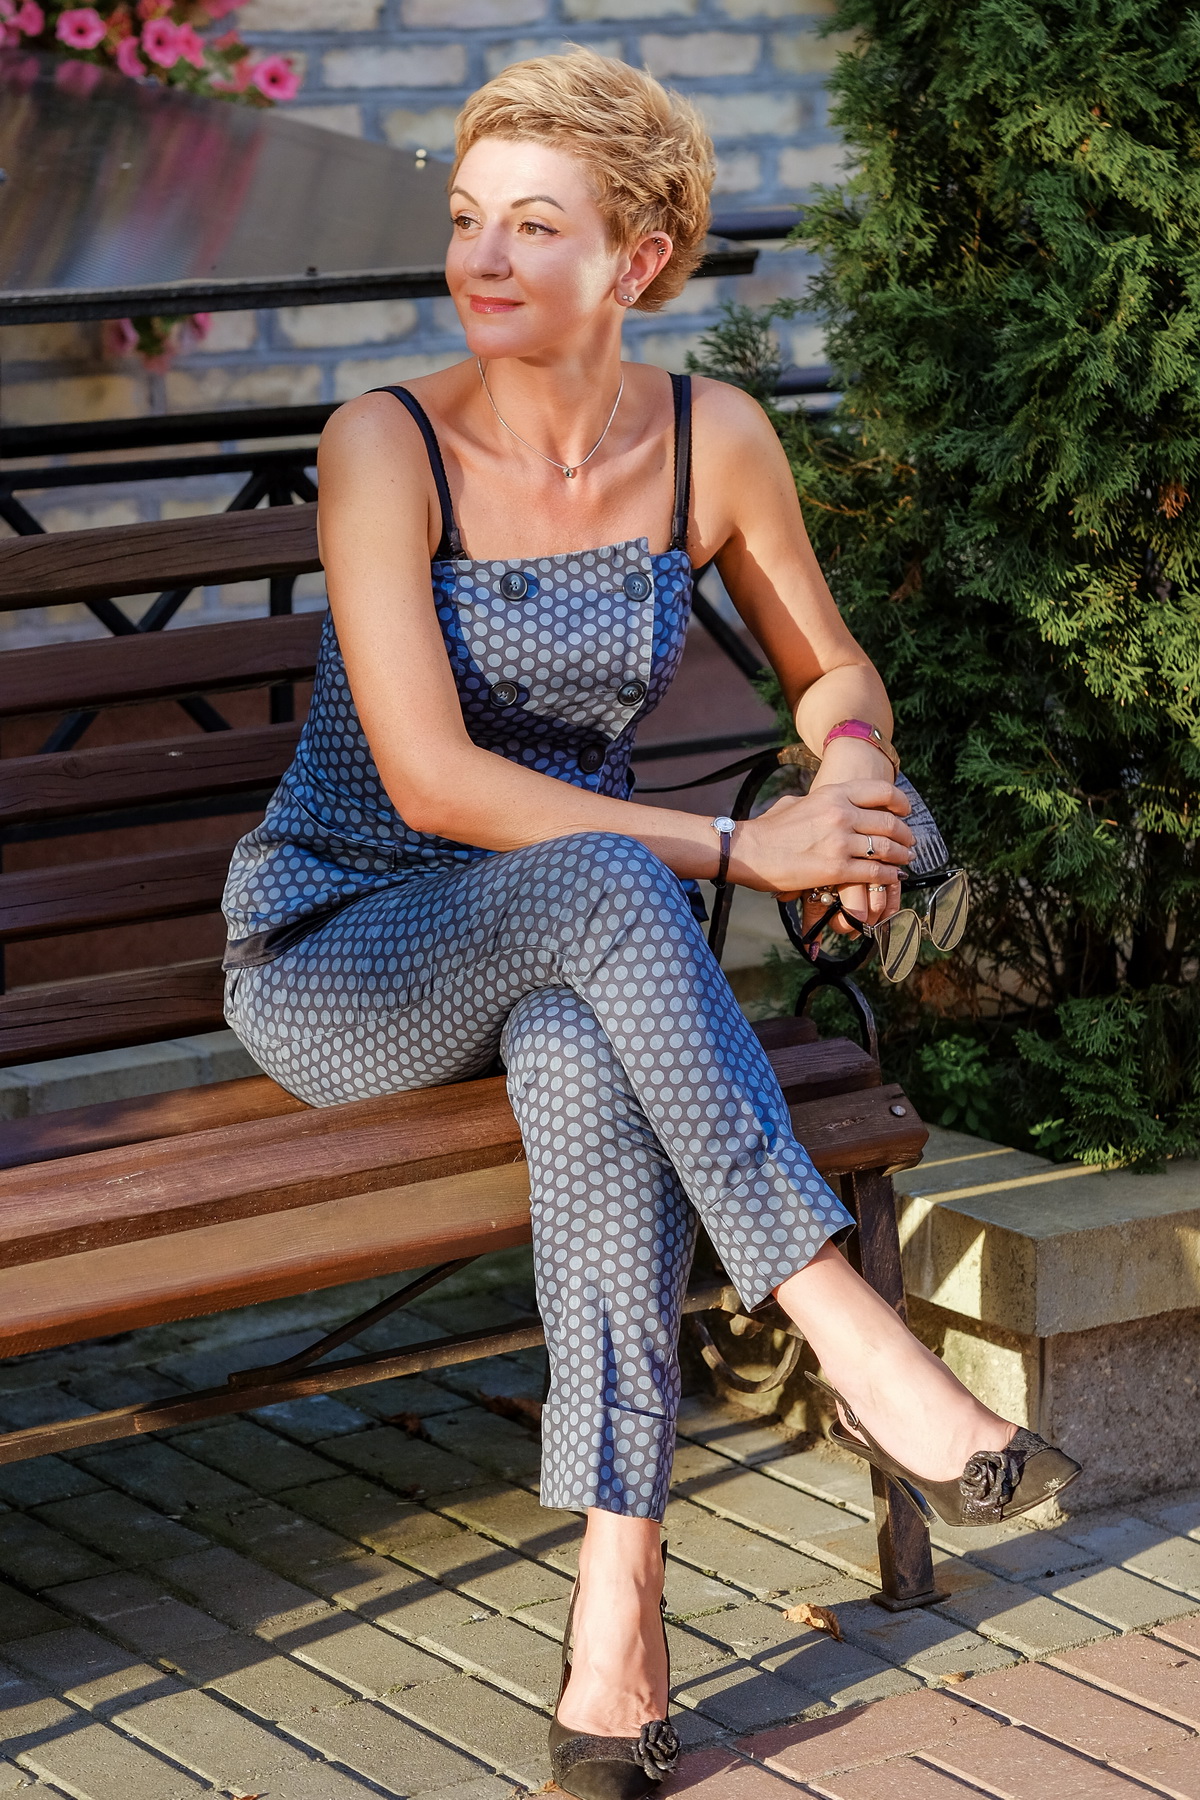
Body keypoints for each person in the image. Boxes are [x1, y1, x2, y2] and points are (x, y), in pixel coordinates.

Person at [222, 49, 1079, 1798]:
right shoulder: (385, 445)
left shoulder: (712, 439)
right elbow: (435, 782)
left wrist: (851, 776)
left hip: (574, 950)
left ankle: (618, 1612)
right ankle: (854, 1332)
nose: (483, 257)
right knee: (626, 891)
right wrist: (749, 848)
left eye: (535, 225)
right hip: (348, 948)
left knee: (584, 1050)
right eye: (471, 218)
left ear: (640, 257)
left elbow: (832, 668)